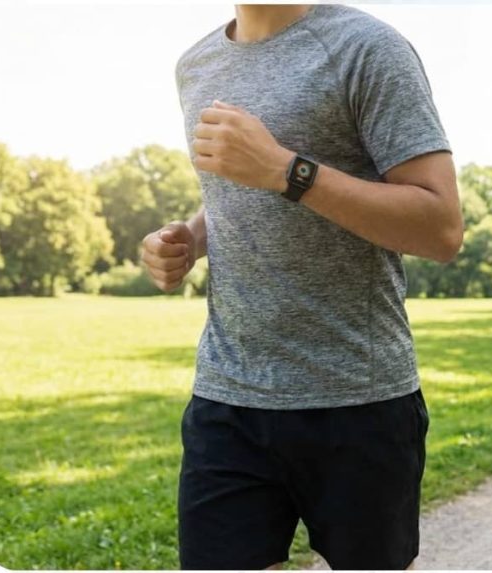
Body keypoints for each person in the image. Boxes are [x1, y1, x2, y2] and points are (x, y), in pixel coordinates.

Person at [139, 5, 462, 569]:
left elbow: (441, 228)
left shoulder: (367, 48)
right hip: (228, 396)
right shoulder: (195, 64)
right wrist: (191, 237)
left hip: (359, 400)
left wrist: (288, 171)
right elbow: (235, 195)